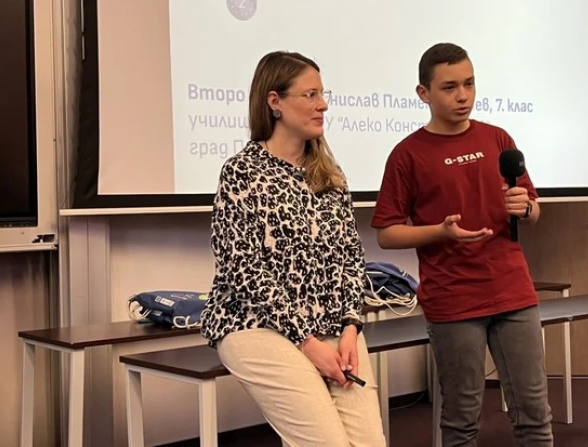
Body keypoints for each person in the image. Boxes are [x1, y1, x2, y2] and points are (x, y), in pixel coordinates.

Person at [200, 50, 387, 447]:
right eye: (310, 95)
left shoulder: (330, 176)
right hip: (255, 324)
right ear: (275, 102)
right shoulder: (241, 172)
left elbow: (351, 260)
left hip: (332, 326)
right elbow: (242, 268)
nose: (323, 105)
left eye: (323, 94)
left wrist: (351, 328)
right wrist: (306, 341)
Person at [371, 43, 553, 446]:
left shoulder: (497, 138)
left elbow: (533, 209)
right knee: (462, 418)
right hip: (453, 299)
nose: (463, 96)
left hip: (512, 290)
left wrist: (525, 208)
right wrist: (440, 231)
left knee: (534, 414)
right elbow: (386, 232)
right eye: (450, 87)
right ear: (424, 93)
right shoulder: (407, 154)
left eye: (469, 84)